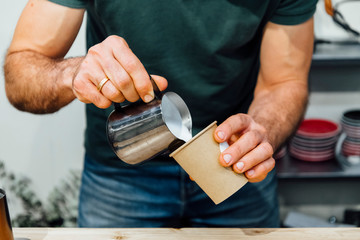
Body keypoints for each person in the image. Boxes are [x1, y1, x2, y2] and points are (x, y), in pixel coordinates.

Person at [4, 0, 317, 228]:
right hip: (121, 178)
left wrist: (263, 130)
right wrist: (75, 72)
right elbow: (21, 73)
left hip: (233, 171)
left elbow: (285, 81)